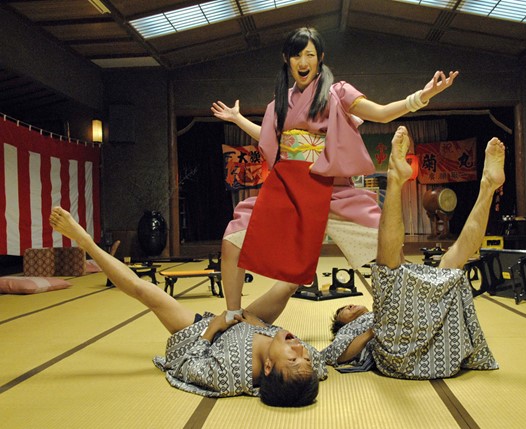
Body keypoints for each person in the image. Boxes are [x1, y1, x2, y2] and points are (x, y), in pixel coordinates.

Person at [211, 27, 459, 322]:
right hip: (287, 189)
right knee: (233, 237)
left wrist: (422, 96)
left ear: (320, 58)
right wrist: (238, 118)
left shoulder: (338, 92)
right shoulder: (278, 103)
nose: (303, 62)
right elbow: (267, 137)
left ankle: (406, 316)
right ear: (286, 59)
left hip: (332, 188)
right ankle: (233, 316)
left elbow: (381, 113)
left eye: (310, 54)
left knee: (386, 244)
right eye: (297, 55)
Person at [48, 207, 327, 407]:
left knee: (144, 290)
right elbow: (329, 358)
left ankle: (85, 241)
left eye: (293, 359)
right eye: (304, 359)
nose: (300, 350)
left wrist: (212, 328)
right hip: (253, 323)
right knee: (291, 283)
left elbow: (187, 364)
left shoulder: (227, 376)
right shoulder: (308, 366)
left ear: (267, 367)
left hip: (209, 333)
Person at [321, 126, 502, 379]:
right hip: (401, 355)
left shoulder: (376, 314)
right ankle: (395, 178)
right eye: (345, 310)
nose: (350, 304)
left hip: (441, 346)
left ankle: (488, 187)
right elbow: (335, 355)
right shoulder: (352, 331)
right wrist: (374, 329)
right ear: (343, 324)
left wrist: (379, 319)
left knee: (453, 261)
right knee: (387, 273)